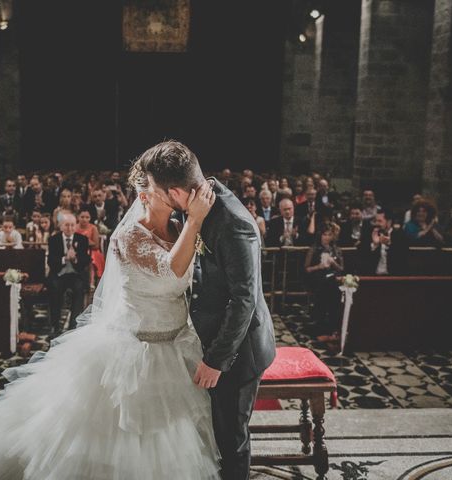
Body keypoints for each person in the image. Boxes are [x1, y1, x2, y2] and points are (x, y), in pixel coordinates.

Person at [0, 156, 220, 480]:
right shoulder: (130, 237)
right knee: (117, 440)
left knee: (167, 438)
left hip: (175, 347)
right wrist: (195, 221)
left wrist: (191, 224)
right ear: (143, 196)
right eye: (157, 187)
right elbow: (170, 271)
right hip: (134, 351)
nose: (169, 192)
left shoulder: (178, 227)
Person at [135, 140, 275, 479]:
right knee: (213, 432)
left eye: (154, 188)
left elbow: (245, 300)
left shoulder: (234, 224)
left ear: (177, 192)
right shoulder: (195, 207)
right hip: (209, 338)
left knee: (231, 439)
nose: (148, 193)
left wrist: (216, 360)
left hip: (239, 352)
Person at [46, 212, 91, 337]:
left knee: (79, 288)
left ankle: (73, 326)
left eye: (72, 225)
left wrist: (75, 259)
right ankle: (55, 325)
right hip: (59, 274)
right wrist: (64, 258)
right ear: (61, 226)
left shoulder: (82, 239)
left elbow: (85, 261)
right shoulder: (53, 240)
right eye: (66, 225)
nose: (69, 228)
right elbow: (51, 262)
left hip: (75, 274)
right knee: (54, 288)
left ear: (75, 226)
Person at [304, 224, 344, 345]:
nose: (326, 237)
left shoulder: (336, 250)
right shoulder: (314, 249)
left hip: (332, 280)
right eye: (324, 234)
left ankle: (332, 329)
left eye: (329, 235)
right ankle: (320, 327)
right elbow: (307, 268)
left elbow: (341, 268)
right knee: (323, 295)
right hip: (318, 279)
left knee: (334, 297)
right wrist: (319, 267)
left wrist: (333, 263)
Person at [359, 210, 409, 275]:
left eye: (379, 221)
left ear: (389, 222)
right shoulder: (370, 234)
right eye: (375, 221)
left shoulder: (400, 235)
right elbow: (363, 258)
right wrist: (374, 245)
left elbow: (402, 259)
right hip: (374, 276)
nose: (376, 224)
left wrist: (389, 244)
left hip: (394, 276)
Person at [75, 207, 106, 290]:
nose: (84, 219)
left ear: (90, 218)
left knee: (92, 257)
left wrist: (84, 241)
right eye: (82, 217)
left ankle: (91, 283)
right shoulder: (74, 227)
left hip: (92, 250)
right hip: (77, 250)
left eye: (87, 217)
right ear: (78, 217)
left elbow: (96, 245)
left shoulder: (93, 228)